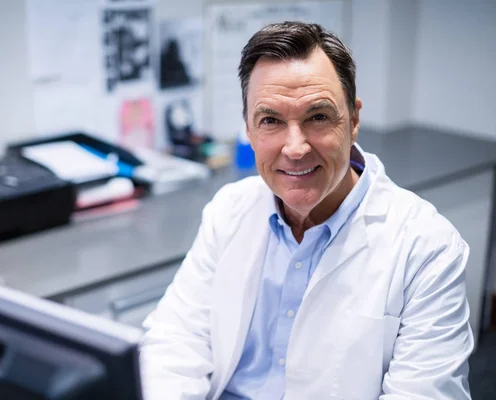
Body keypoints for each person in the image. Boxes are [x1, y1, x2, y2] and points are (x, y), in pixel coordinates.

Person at [139, 21, 473, 400]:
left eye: (317, 117)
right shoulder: (229, 210)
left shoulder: (427, 247)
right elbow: (176, 341)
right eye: (270, 121)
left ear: (354, 119)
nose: (295, 148)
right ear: (248, 129)